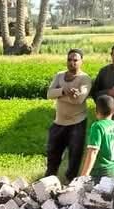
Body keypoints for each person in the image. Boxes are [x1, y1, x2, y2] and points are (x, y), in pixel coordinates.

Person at [45, 49, 91, 180]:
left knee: (75, 157)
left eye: (75, 60)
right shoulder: (59, 76)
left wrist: (59, 95)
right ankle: (49, 180)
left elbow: (79, 100)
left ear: (81, 62)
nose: (72, 63)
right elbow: (49, 94)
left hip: (77, 123)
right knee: (53, 154)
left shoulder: (85, 79)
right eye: (69, 60)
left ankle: (71, 183)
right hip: (59, 122)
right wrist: (65, 91)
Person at [80, 94, 114, 179]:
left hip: (102, 172)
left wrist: (83, 176)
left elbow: (93, 151)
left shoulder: (97, 126)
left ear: (96, 111)